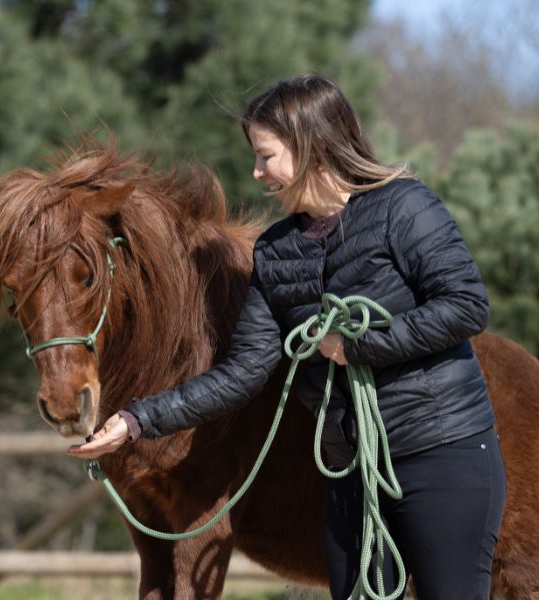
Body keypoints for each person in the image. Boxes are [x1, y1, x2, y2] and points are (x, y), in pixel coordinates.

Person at [67, 74, 506, 600]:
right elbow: (242, 372)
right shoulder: (277, 252)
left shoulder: (405, 208)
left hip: (440, 450)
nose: (257, 172)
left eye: (266, 155)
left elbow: (465, 306)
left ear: (310, 146)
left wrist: (356, 347)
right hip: (350, 467)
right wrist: (138, 419)